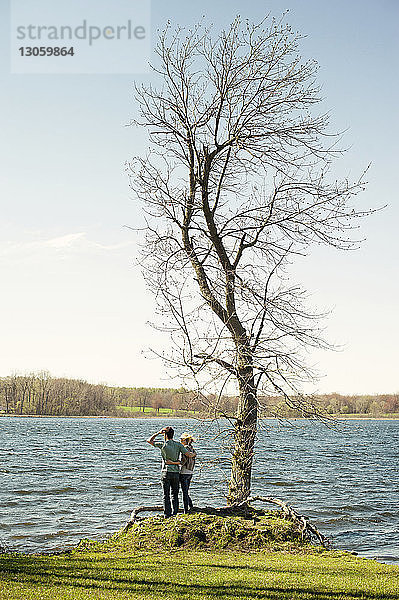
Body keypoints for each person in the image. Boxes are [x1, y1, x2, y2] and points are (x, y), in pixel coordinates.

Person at [147, 426, 196, 518]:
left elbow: (149, 440)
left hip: (166, 471)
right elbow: (188, 455)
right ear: (173, 435)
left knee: (166, 495)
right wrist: (194, 454)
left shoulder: (163, 444)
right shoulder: (179, 445)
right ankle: (175, 513)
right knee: (175, 494)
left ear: (165, 435)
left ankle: (167, 515)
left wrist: (158, 433)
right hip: (176, 472)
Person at [179, 432, 196, 514]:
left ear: (185, 440)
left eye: (181, 439)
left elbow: (183, 461)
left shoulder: (185, 448)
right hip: (190, 472)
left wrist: (176, 463)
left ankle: (186, 510)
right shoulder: (192, 448)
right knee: (186, 491)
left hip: (184, 471)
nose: (180, 440)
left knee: (184, 492)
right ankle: (191, 507)